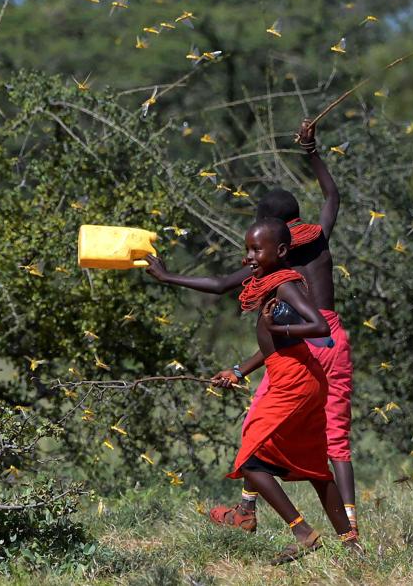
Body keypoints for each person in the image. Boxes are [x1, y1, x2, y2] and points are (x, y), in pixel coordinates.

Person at [145, 120, 359, 534]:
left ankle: (251, 512)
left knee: (258, 423)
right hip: (336, 339)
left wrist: (170, 277)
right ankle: (350, 528)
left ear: (273, 233)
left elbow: (223, 285)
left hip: (305, 342)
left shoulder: (276, 265)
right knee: (332, 435)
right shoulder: (319, 238)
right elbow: (332, 196)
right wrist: (311, 150)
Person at [209, 217, 356, 563]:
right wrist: (237, 371)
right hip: (299, 376)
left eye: (257, 249)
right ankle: (352, 545)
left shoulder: (286, 285)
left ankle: (303, 532)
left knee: (250, 461)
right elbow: (272, 344)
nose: (249, 256)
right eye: (247, 249)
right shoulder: (271, 283)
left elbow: (320, 326)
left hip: (293, 382)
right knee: (316, 468)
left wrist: (281, 326)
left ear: (282, 250)